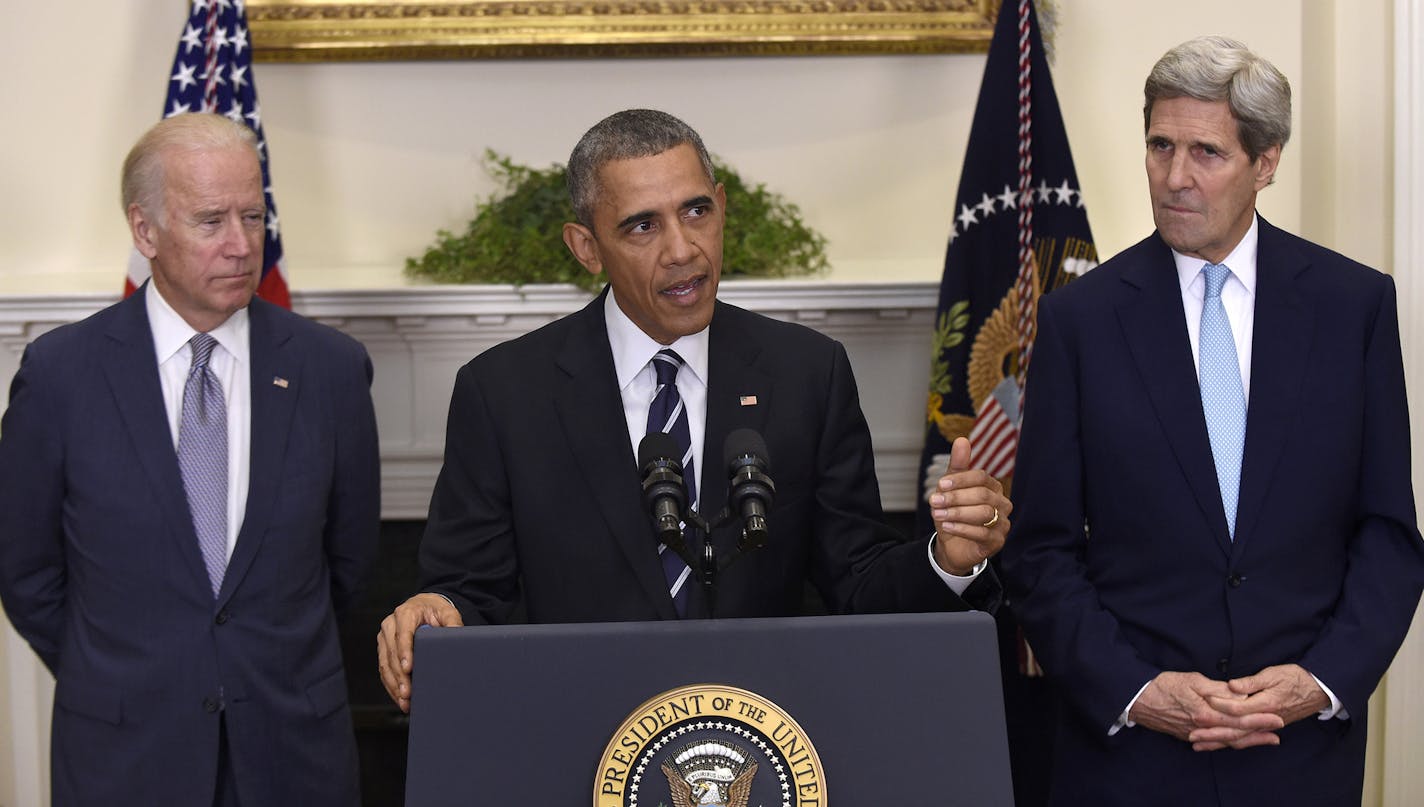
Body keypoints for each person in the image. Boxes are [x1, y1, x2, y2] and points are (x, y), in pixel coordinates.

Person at [377, 109, 1011, 712]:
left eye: (697, 211)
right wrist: (434, 608)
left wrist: (947, 559)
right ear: (586, 246)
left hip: (763, 742)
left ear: (723, 208)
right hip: (578, 737)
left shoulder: (806, 373)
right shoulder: (504, 392)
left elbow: (857, 581)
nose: (682, 249)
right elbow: (467, 589)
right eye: (642, 226)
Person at [1000, 36, 1424, 805]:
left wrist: (1320, 680)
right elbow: (1040, 552)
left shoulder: (1353, 307)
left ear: (1266, 162)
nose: (1174, 177)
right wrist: (1135, 689)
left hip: (1299, 755)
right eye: (1160, 146)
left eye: (1206, 152)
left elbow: (1389, 535)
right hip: (1128, 757)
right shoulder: (1079, 322)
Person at [0, 113, 380, 806]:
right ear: (145, 231)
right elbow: (26, 571)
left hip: (293, 751)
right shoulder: (62, 374)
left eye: (253, 215)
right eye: (211, 221)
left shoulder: (331, 370)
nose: (242, 245)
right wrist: (123, 674)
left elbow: (349, 563)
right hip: (124, 753)